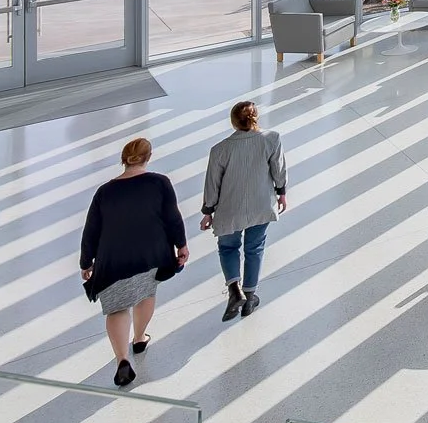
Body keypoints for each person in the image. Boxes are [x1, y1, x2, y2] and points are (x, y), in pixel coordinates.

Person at [80, 137, 188, 388]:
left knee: (117, 308)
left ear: (123, 159)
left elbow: (91, 230)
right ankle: (139, 337)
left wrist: (86, 262)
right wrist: (181, 245)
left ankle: (122, 360)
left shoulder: (105, 191)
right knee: (145, 294)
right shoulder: (160, 182)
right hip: (151, 252)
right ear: (148, 157)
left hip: (113, 258)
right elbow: (173, 217)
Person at [200, 100, 288, 322]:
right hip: (261, 205)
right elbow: (278, 169)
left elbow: (213, 183)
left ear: (233, 122)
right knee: (254, 248)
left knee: (228, 248)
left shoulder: (220, 149)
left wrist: (208, 210)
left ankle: (234, 290)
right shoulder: (271, 139)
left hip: (230, 209)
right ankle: (249, 297)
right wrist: (281, 192)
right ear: (255, 118)